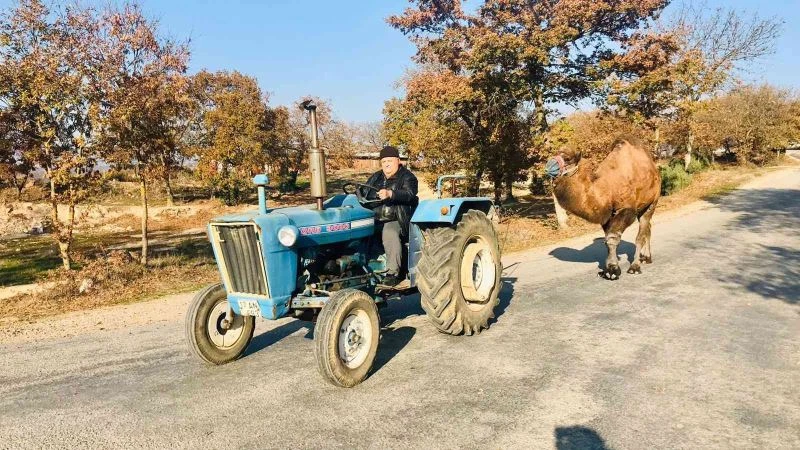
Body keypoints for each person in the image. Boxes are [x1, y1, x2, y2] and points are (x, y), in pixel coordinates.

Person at [361, 145, 418, 286]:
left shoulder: (407, 177)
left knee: (389, 232)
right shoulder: (376, 177)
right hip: (375, 218)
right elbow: (363, 190)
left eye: (390, 161)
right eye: (384, 161)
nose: (386, 164)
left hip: (398, 217)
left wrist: (391, 194)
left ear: (398, 161)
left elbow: (410, 194)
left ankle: (393, 272)